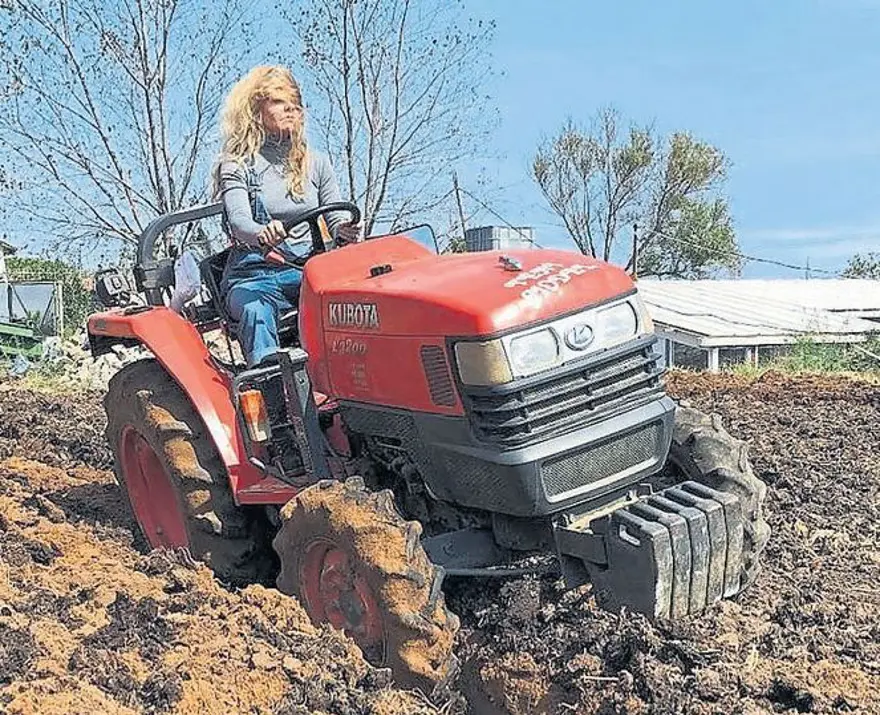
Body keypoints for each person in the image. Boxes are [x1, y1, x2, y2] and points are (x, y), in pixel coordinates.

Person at [213, 65, 360, 367]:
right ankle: (271, 386)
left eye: (295, 102)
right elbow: (239, 222)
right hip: (253, 277)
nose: (290, 108)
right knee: (255, 310)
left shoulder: (317, 164)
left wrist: (344, 229)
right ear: (256, 111)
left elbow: (335, 217)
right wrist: (261, 232)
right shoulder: (237, 165)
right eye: (279, 101)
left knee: (352, 300)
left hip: (306, 271)